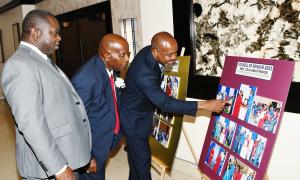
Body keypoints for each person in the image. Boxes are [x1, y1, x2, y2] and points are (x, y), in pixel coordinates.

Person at [120, 31, 226, 180]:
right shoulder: (144, 73)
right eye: (169, 55)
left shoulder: (149, 51)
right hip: (133, 120)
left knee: (136, 162)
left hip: (137, 112)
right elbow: (165, 103)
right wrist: (205, 105)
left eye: (175, 53)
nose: (174, 58)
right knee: (143, 164)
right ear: (156, 51)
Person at [1, 9, 91, 179]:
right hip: (49, 169)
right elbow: (31, 123)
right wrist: (57, 167)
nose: (59, 38)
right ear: (35, 32)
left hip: (66, 153)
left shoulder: (39, 59)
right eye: (55, 33)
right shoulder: (20, 65)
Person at [71, 34, 130, 180]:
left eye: (128, 54)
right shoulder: (85, 79)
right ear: (107, 56)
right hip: (92, 148)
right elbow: (75, 121)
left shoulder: (110, 68)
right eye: (122, 55)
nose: (127, 59)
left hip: (104, 141)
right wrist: (88, 157)